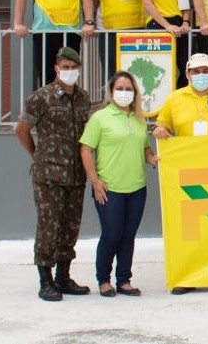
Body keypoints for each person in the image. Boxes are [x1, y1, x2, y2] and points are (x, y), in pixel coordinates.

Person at [14, 46, 93, 301]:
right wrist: (37, 155)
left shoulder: (83, 97)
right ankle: (45, 281)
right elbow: (22, 129)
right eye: (65, 68)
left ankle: (63, 277)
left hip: (75, 174)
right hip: (48, 175)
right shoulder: (42, 96)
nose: (70, 72)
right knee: (49, 226)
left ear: (79, 70)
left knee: (70, 227)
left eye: (74, 68)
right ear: (56, 69)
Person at [79, 71, 158, 298]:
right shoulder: (100, 118)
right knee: (112, 234)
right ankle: (103, 279)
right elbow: (86, 149)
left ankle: (124, 279)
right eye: (120, 89)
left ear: (135, 93)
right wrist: (95, 181)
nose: (124, 93)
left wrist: (152, 158)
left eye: (128, 89)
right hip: (109, 188)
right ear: (111, 92)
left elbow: (144, 147)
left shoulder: (139, 119)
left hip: (136, 187)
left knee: (128, 235)